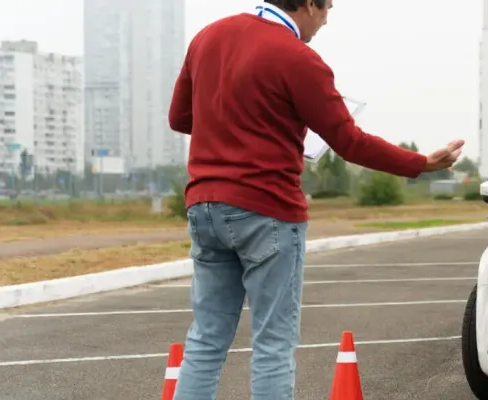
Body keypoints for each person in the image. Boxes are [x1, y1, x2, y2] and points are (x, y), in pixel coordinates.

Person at [166, 0, 463, 398]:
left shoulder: (207, 37)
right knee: (273, 344)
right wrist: (420, 163)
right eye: (327, 10)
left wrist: (236, 124)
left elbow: (179, 118)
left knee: (205, 340)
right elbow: (349, 141)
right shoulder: (298, 58)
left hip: (204, 205)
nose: (325, 21)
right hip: (266, 210)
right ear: (309, 4)